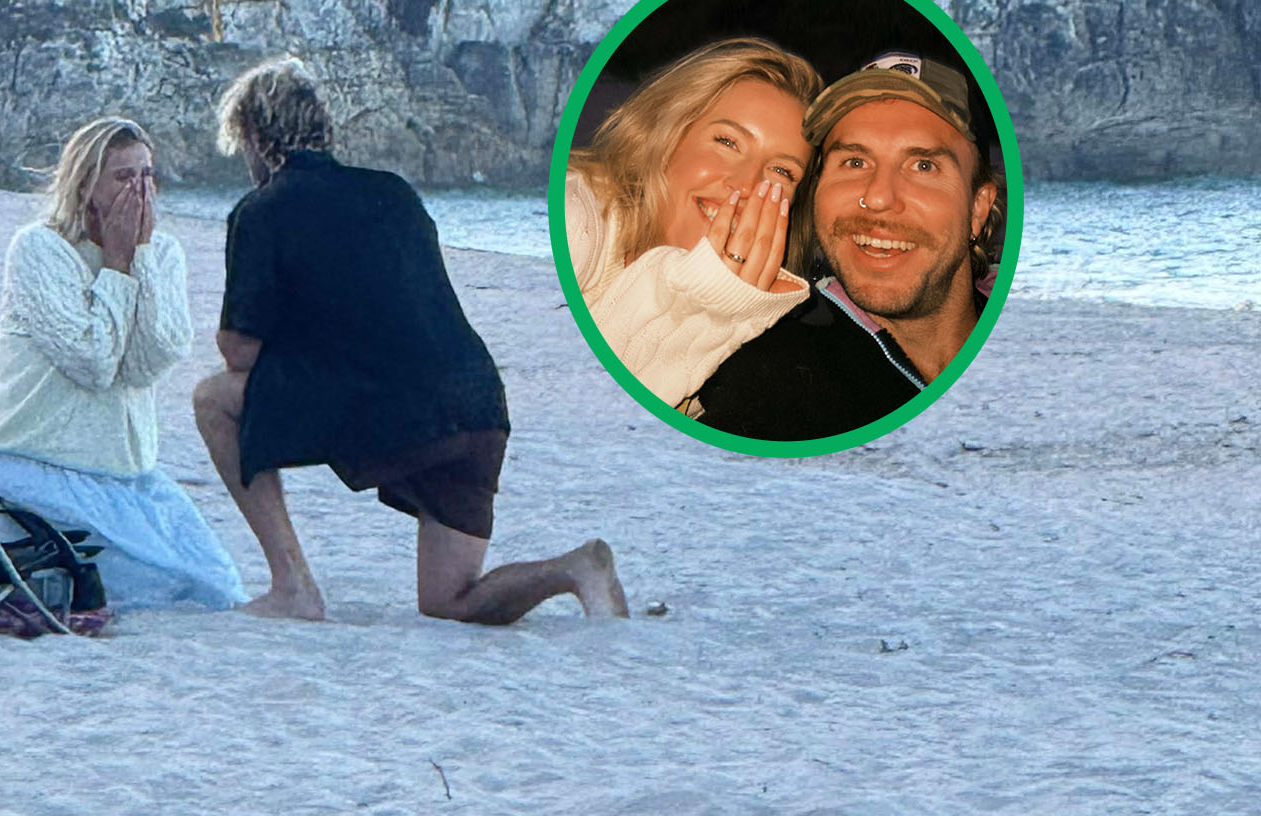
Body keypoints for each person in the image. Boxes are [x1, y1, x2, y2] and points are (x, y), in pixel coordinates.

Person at [191, 57, 629, 624]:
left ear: (253, 135)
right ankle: (575, 568)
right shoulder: (395, 193)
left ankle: (293, 586)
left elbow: (239, 353)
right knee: (449, 600)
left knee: (213, 399)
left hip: (392, 409)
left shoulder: (260, 212)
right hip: (477, 408)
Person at [0, 116, 247, 609]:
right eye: (123, 177)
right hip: (38, 468)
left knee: (214, 587)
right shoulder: (40, 249)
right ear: (85, 185)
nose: (139, 190)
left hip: (126, 476)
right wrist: (116, 266)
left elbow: (150, 359)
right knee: (156, 593)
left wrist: (138, 258)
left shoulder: (162, 253)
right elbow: (93, 361)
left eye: (146, 176)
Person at [695, 52, 1003, 440]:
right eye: (855, 162)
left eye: (923, 165)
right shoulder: (773, 382)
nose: (877, 197)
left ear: (978, 208)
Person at [564, 37, 823, 409]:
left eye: (781, 171)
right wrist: (707, 306)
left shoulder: (760, 339)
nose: (747, 185)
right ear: (668, 135)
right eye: (728, 142)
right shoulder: (574, 218)